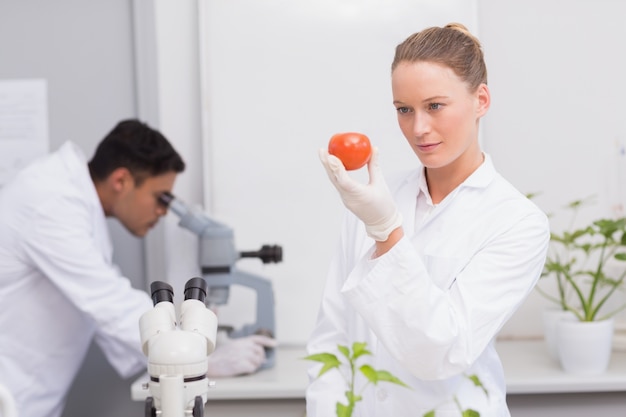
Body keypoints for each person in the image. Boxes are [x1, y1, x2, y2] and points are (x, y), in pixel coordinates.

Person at [308, 23, 550, 416]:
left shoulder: (517, 222)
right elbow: (332, 340)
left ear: (481, 100)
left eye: (434, 106)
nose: (418, 128)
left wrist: (387, 233)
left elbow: (441, 351)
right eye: (404, 109)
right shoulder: (373, 200)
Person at [0, 119, 276, 417]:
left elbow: (105, 309)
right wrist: (196, 355)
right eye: (160, 198)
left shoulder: (70, 200)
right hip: (12, 395)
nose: (162, 212)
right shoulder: (50, 203)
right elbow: (107, 302)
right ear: (121, 180)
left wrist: (185, 342)